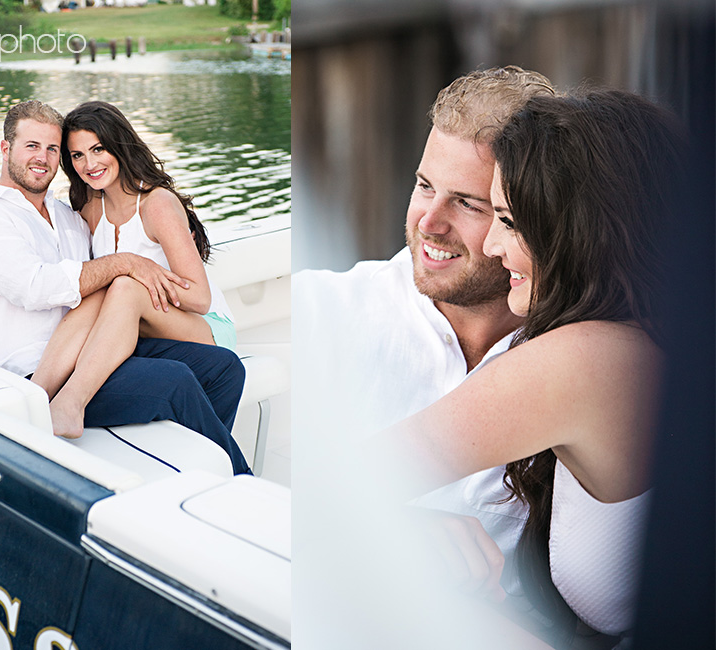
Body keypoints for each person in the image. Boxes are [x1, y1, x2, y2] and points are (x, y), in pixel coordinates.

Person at [368, 88, 684, 645]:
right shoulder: (661, 336)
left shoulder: (582, 362)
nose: (492, 246)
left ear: (583, 228)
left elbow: (336, 492)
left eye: (509, 220)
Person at [293, 66, 555, 600]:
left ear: (524, 219)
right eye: (424, 186)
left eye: (468, 203)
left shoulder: (574, 353)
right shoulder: (324, 310)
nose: (428, 221)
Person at [0, 100, 251, 475]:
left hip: (95, 353)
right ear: (5, 148)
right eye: (32, 146)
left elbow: (105, 284)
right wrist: (128, 264)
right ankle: (236, 481)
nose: (43, 158)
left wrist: (129, 269)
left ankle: (195, 477)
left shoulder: (68, 215)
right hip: (34, 372)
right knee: (174, 378)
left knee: (225, 368)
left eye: (52, 149)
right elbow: (38, 287)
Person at [29, 101, 237, 443]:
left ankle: (70, 403)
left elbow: (200, 298)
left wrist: (139, 273)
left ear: (119, 144)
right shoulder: (91, 208)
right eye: (77, 155)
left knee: (122, 285)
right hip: (144, 328)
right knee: (98, 284)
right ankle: (33, 396)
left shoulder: (157, 204)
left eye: (98, 149)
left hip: (203, 328)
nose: (89, 164)